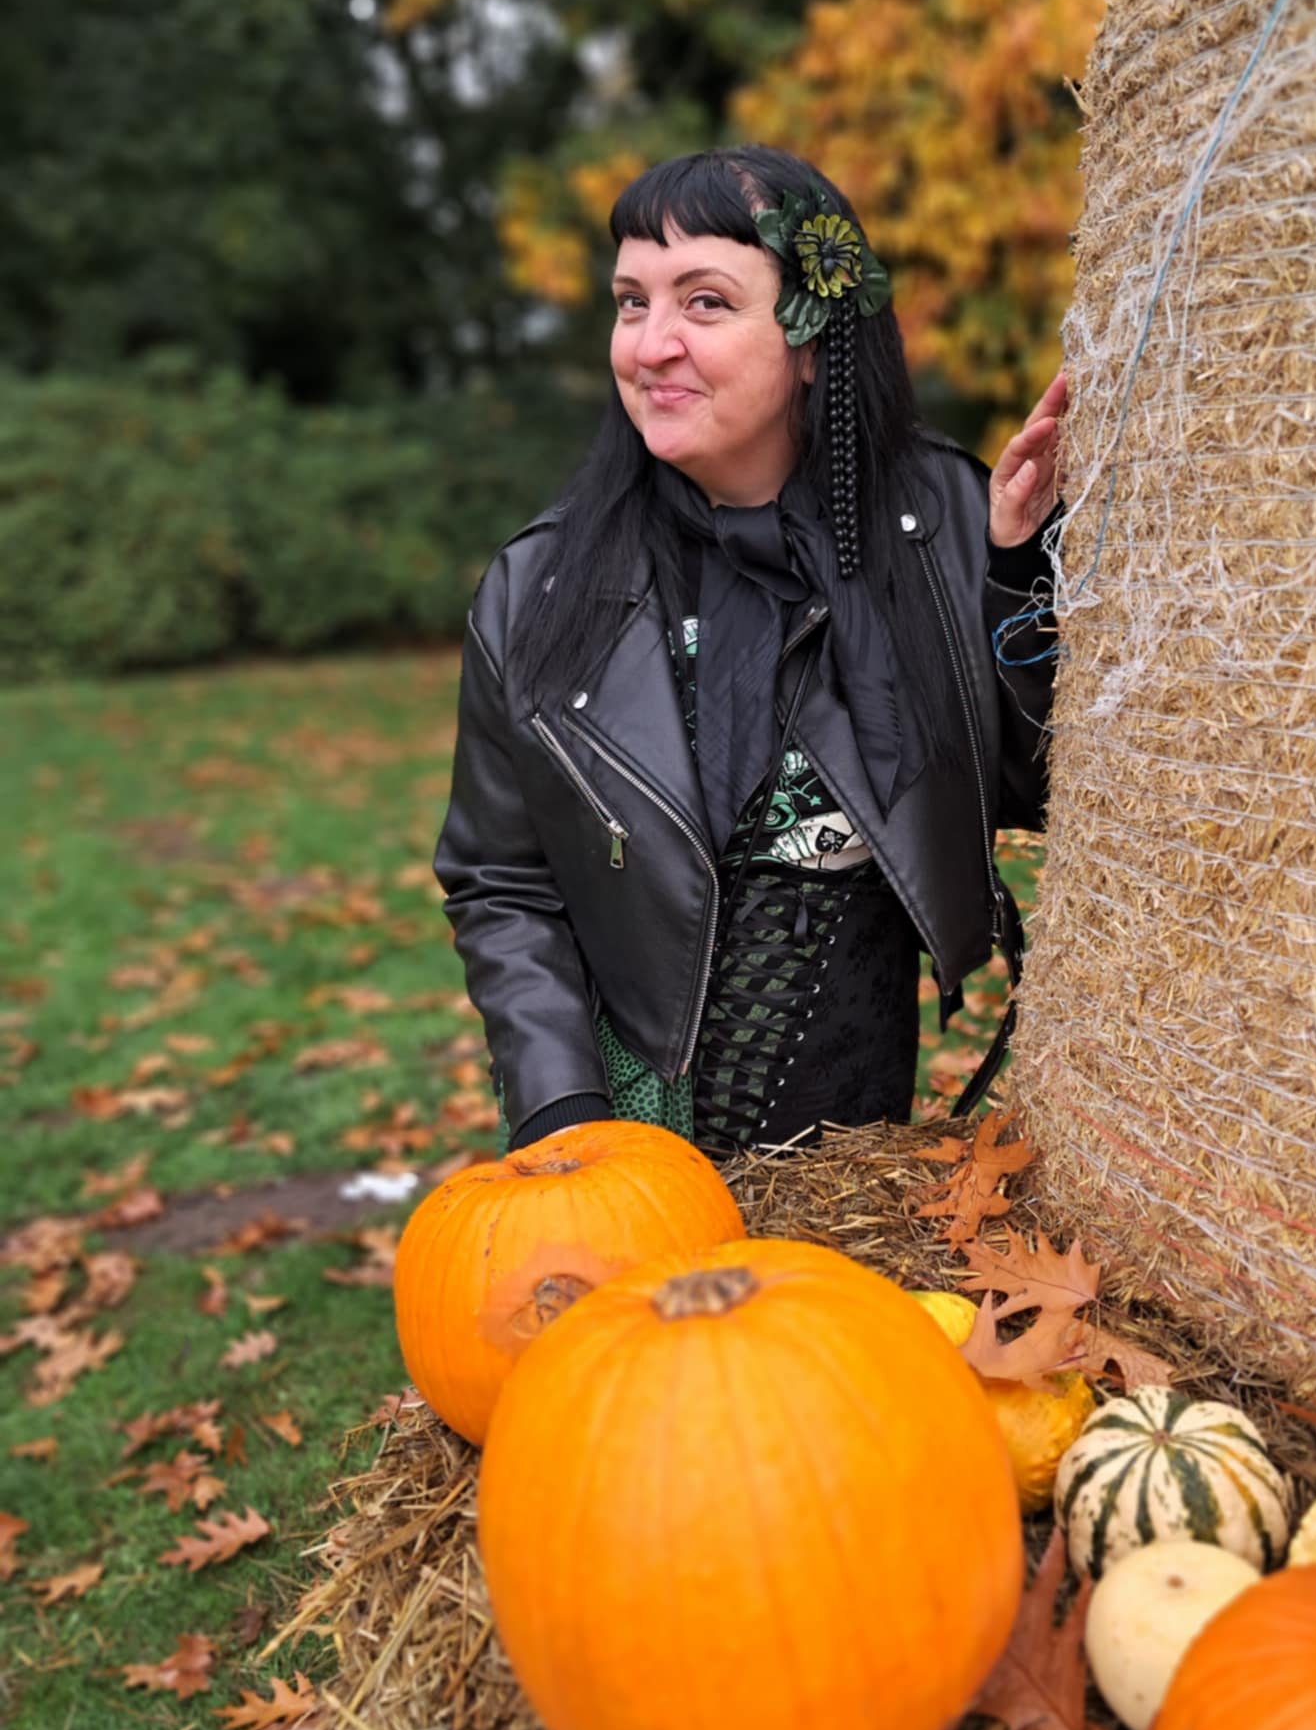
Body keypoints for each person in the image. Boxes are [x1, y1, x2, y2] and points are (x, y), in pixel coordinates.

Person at [434, 145, 1067, 1158]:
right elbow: (499, 878)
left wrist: (1016, 572)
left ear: (814, 338)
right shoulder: (541, 585)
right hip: (629, 1128)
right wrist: (564, 1117)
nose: (652, 345)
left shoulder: (941, 518)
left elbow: (1041, 788)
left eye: (705, 302)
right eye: (631, 302)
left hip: (856, 1143)